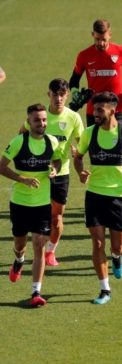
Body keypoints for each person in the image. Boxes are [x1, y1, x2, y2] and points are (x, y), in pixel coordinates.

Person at [74, 91, 122, 304]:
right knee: (97, 244)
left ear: (112, 110)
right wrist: (80, 172)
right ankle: (105, 289)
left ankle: (117, 257)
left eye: (99, 110)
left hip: (118, 198)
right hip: (95, 196)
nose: (94, 113)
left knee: (118, 247)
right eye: (93, 109)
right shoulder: (89, 133)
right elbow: (78, 157)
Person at [0, 104, 61, 307]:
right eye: (37, 120)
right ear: (29, 121)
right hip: (20, 203)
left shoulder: (52, 141)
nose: (42, 123)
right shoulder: (18, 142)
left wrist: (54, 169)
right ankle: (18, 260)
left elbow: (58, 160)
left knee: (39, 245)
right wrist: (22, 179)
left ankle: (36, 291)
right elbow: (1, 166)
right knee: (20, 244)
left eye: (44, 120)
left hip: (42, 203)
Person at [19, 79, 84, 266]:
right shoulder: (40, 115)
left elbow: (81, 142)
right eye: (55, 94)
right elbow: (22, 132)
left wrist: (77, 150)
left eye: (62, 94)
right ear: (49, 94)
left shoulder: (73, 118)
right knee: (34, 215)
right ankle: (23, 253)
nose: (59, 98)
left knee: (56, 218)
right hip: (37, 173)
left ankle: (50, 251)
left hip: (61, 173)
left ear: (67, 95)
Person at [69, 19, 122, 126]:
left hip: (117, 109)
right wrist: (75, 93)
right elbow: (74, 79)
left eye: (104, 39)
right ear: (93, 34)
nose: (100, 43)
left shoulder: (120, 51)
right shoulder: (84, 55)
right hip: (94, 111)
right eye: (97, 39)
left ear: (110, 35)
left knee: (118, 142)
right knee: (94, 142)